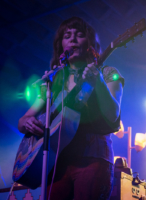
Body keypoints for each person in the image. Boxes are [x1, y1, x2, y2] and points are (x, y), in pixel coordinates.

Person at [17, 16, 124, 200]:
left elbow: (114, 116)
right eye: (67, 36)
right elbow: (22, 121)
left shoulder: (108, 73)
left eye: (79, 35)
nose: (73, 39)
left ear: (89, 43)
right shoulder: (55, 80)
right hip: (57, 163)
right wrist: (28, 124)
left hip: (93, 158)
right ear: (61, 45)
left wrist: (97, 81)